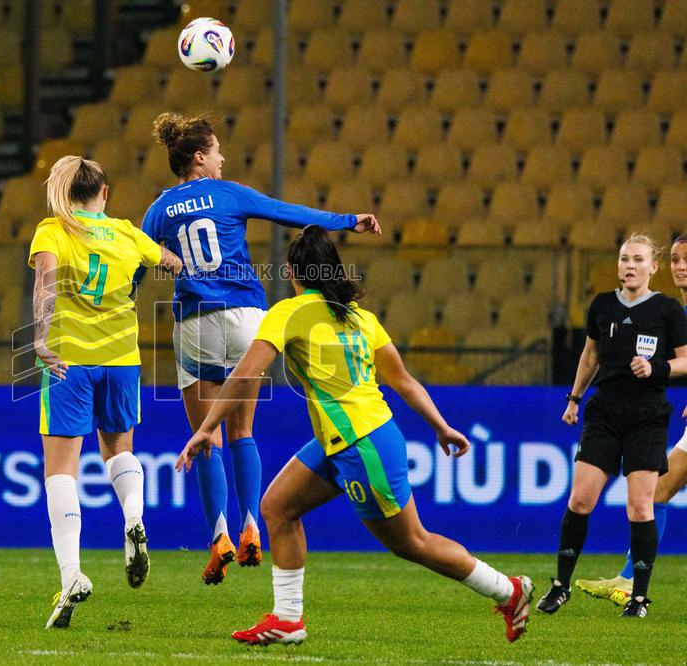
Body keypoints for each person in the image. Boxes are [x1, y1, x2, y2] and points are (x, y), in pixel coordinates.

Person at [176, 225, 533, 645]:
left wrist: (206, 427)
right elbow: (404, 382)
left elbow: (243, 375)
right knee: (278, 507)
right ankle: (288, 620)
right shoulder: (361, 318)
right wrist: (441, 426)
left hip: (362, 447)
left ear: (292, 271)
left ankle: (509, 591)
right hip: (352, 439)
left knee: (414, 543)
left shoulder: (288, 313)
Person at [142, 112, 381, 585]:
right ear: (199, 157)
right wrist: (348, 220)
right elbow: (288, 212)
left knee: (204, 434)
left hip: (197, 320)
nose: (222, 158)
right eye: (216, 152)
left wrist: (124, 295)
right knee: (241, 431)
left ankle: (219, 537)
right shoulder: (231, 194)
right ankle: (253, 523)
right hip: (250, 318)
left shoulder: (158, 210)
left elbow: (136, 255)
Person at [30, 155, 182, 629]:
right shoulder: (126, 232)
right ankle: (133, 517)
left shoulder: (53, 229)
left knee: (61, 470)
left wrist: (38, 337)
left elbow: (45, 281)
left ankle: (72, 573)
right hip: (121, 359)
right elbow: (173, 264)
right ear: (105, 192)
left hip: (67, 360)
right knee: (118, 449)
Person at [537, 234, 687, 619]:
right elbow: (589, 355)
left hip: (648, 415)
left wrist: (658, 368)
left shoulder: (668, 311)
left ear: (652, 267)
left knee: (641, 505)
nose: (630, 266)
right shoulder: (602, 306)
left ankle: (637, 596)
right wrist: (574, 399)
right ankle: (561, 586)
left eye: (638, 259)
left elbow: (686, 360)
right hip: (604, 412)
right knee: (581, 500)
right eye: (624, 259)